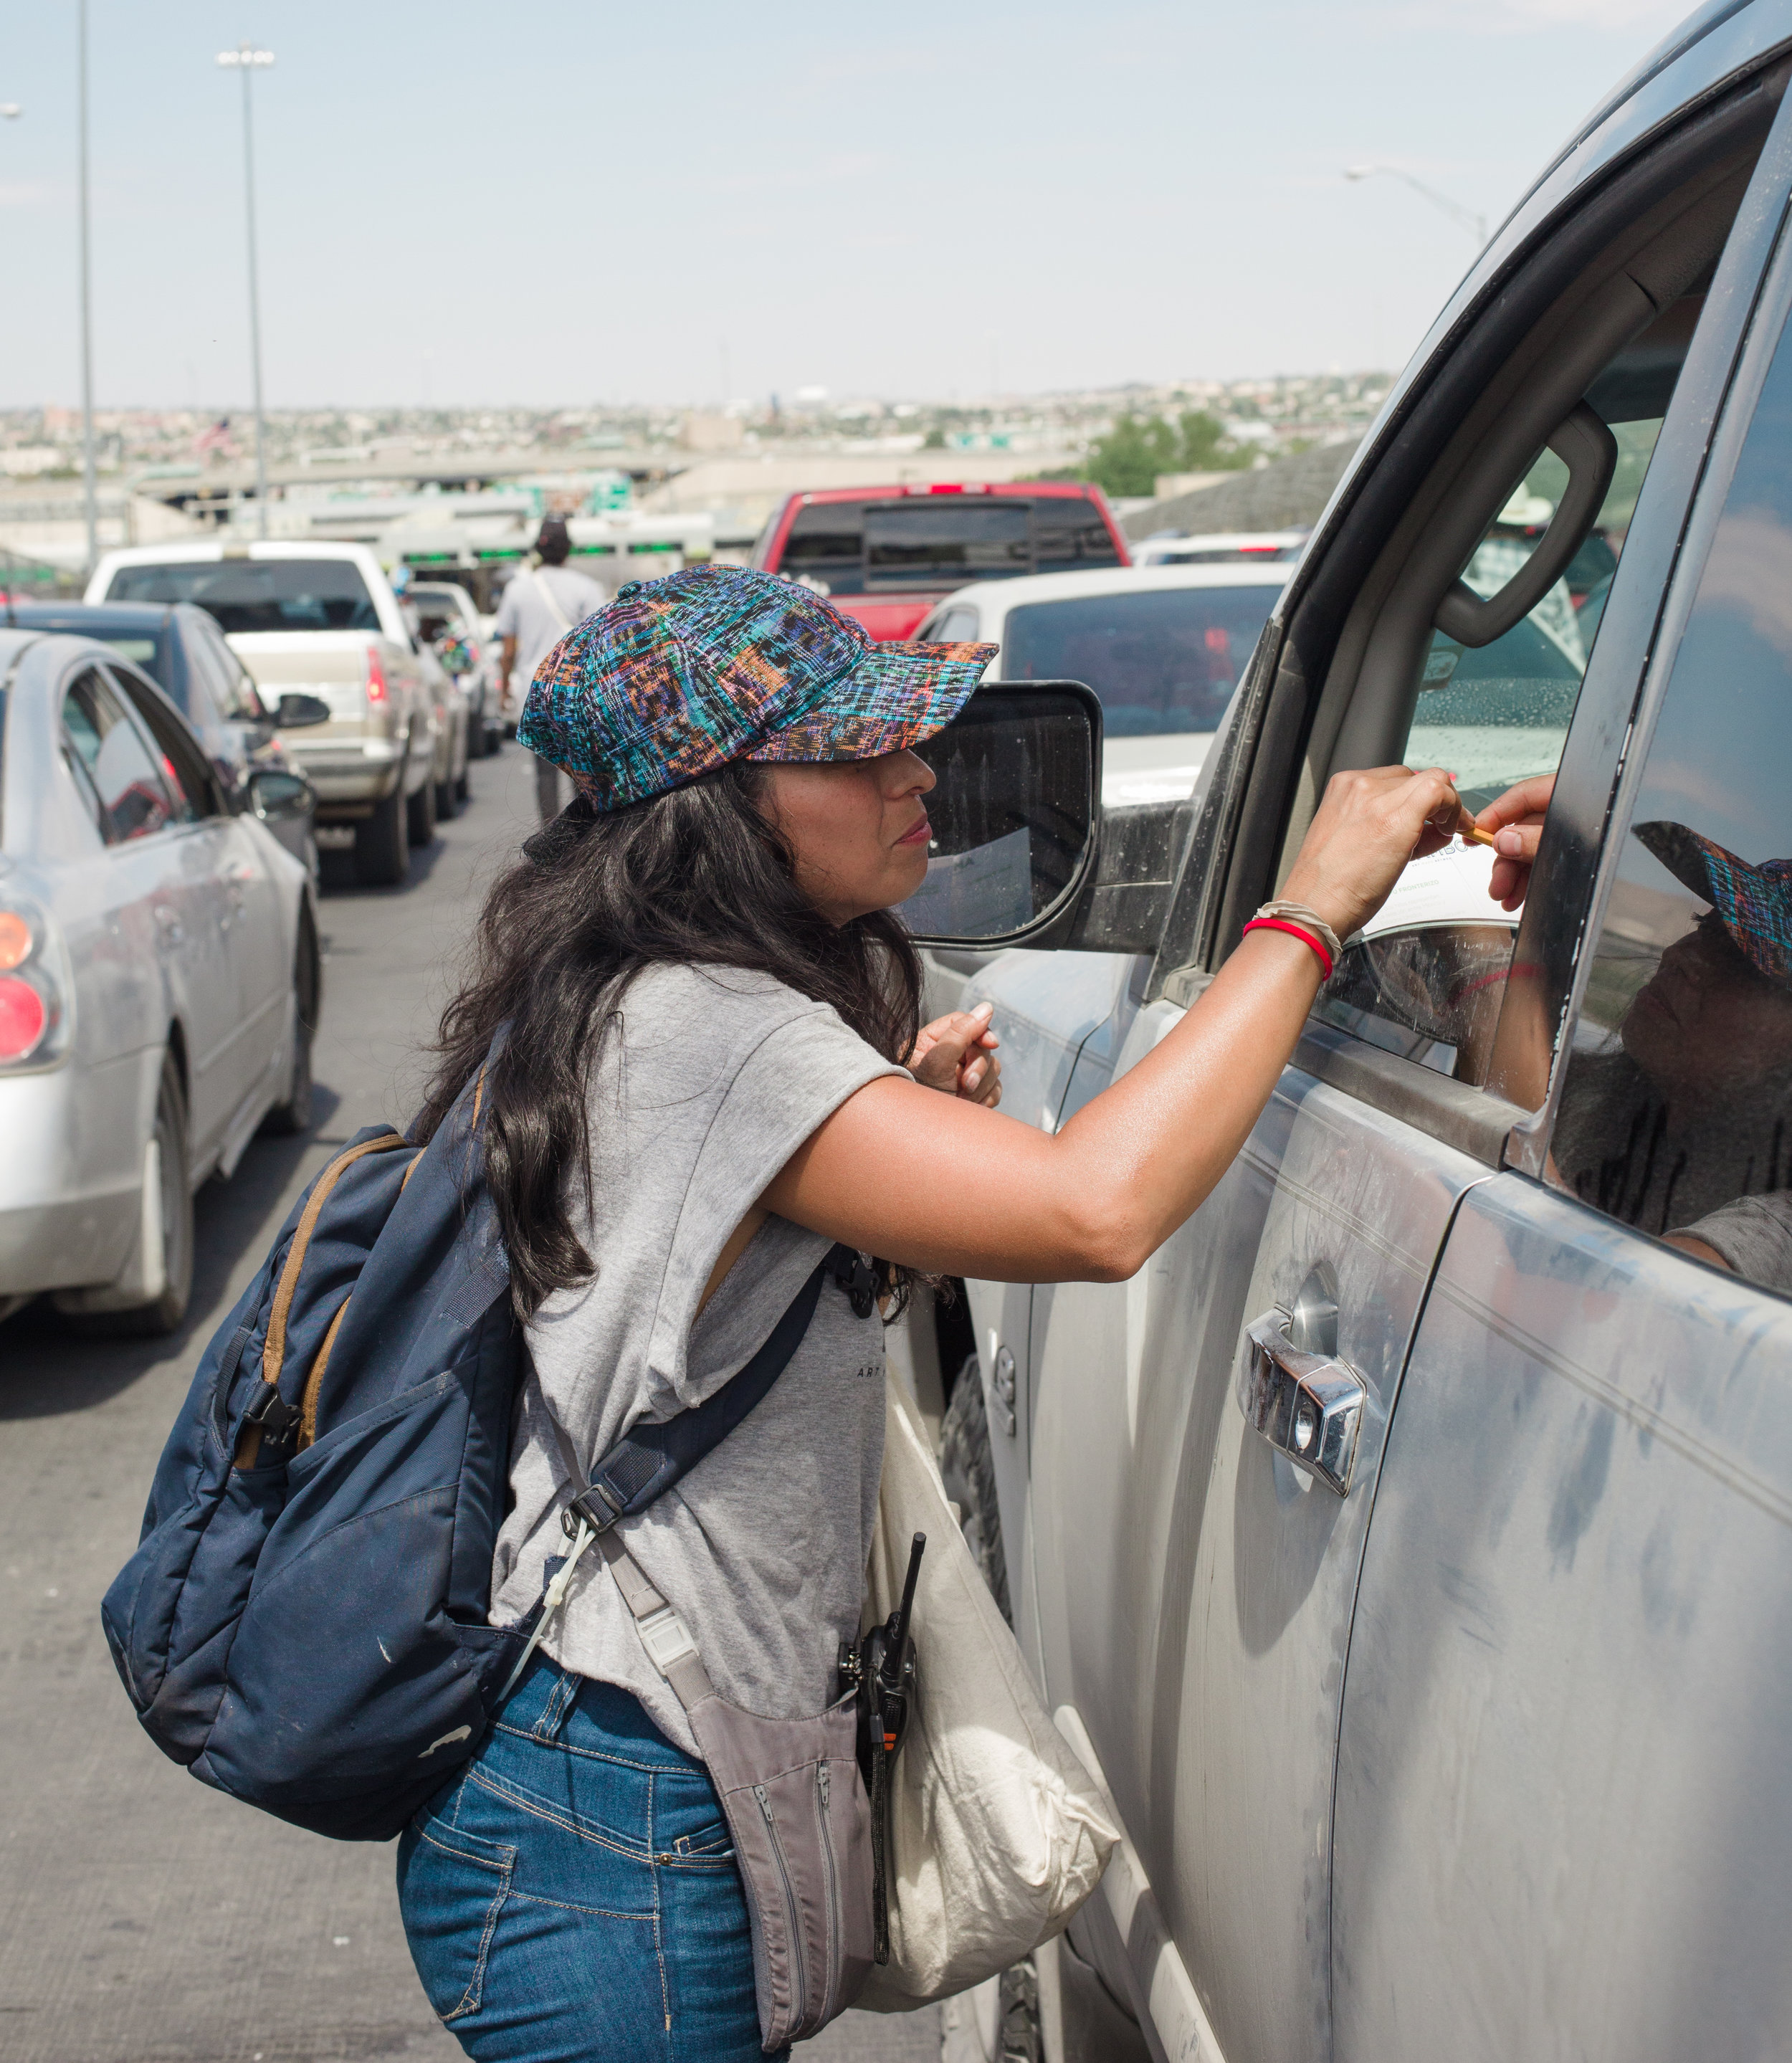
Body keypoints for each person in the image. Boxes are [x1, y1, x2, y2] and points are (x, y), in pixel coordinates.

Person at [395, 564, 1457, 2061]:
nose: (915, 773)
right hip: (618, 1814)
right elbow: (1095, 1211)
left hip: (613, 1787)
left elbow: (694, 1314)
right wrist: (1307, 914)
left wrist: (888, 1156)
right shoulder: (717, 1030)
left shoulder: (645, 997)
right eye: (854, 750)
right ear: (718, 804)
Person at [1477, 774, 1792, 1290]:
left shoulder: (1776, 1236)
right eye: (1703, 927)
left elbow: (1594, 1313)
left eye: (1741, 965)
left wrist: (1495, 983)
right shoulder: (1607, 1102)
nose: (1682, 957)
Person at [493, 518, 609, 822]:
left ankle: (550, 839)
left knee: (545, 772)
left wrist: (504, 687)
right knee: (581, 773)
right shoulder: (587, 588)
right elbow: (598, 645)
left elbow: (508, 651)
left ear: (537, 551)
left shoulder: (517, 590)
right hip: (575, 692)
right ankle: (581, 845)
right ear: (567, 550)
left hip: (535, 691)